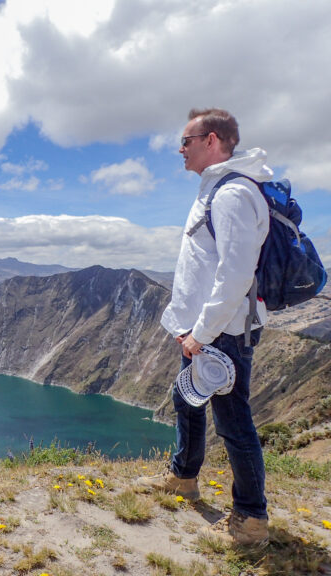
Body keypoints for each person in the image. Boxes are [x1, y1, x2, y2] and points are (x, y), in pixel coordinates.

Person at [138, 108, 271, 546]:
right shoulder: (216, 190)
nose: (181, 149)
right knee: (187, 400)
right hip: (202, 329)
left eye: (187, 141)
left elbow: (234, 275)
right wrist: (189, 328)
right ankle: (183, 477)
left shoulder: (233, 194)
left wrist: (203, 332)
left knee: (233, 422)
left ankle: (251, 519)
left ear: (211, 140)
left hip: (222, 333)